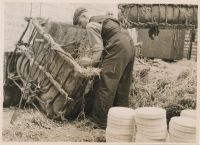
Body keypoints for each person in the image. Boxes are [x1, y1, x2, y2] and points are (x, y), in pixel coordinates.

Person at [73, 7, 135, 129]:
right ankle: (121, 119)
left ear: (84, 16)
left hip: (118, 46)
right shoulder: (103, 17)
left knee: (106, 81)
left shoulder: (90, 25)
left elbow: (98, 52)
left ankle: (99, 121)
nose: (82, 27)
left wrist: (88, 64)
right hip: (129, 44)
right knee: (123, 83)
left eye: (80, 23)